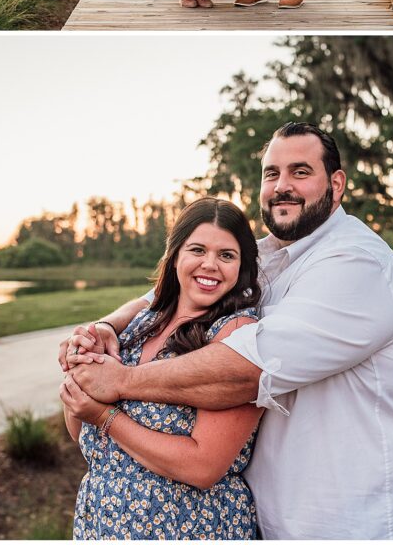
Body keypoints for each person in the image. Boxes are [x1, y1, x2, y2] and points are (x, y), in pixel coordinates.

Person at [61, 123, 393, 540]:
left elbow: (246, 371)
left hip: (348, 520)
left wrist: (121, 382)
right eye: (271, 173)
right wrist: (105, 325)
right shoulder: (271, 257)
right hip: (272, 519)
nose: (282, 186)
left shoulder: (358, 265)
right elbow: (169, 293)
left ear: (336, 183)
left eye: (300, 172)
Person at [60, 198, 262, 539]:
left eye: (226, 255)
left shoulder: (236, 333)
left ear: (241, 267)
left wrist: (104, 417)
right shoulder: (142, 322)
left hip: (187, 527)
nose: (210, 264)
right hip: (101, 521)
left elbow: (204, 467)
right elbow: (83, 435)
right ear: (176, 255)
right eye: (197, 250)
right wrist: (80, 375)